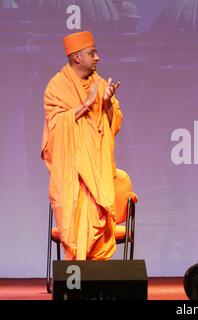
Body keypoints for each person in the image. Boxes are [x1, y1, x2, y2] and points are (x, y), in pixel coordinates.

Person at [41, 31, 122, 260]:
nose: (98, 58)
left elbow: (111, 126)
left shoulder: (99, 84)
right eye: (92, 53)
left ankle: (97, 281)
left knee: (98, 221)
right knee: (77, 224)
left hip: (97, 170)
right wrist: (85, 105)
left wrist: (106, 104)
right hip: (73, 175)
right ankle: (76, 281)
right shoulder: (57, 87)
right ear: (77, 57)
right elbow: (55, 126)